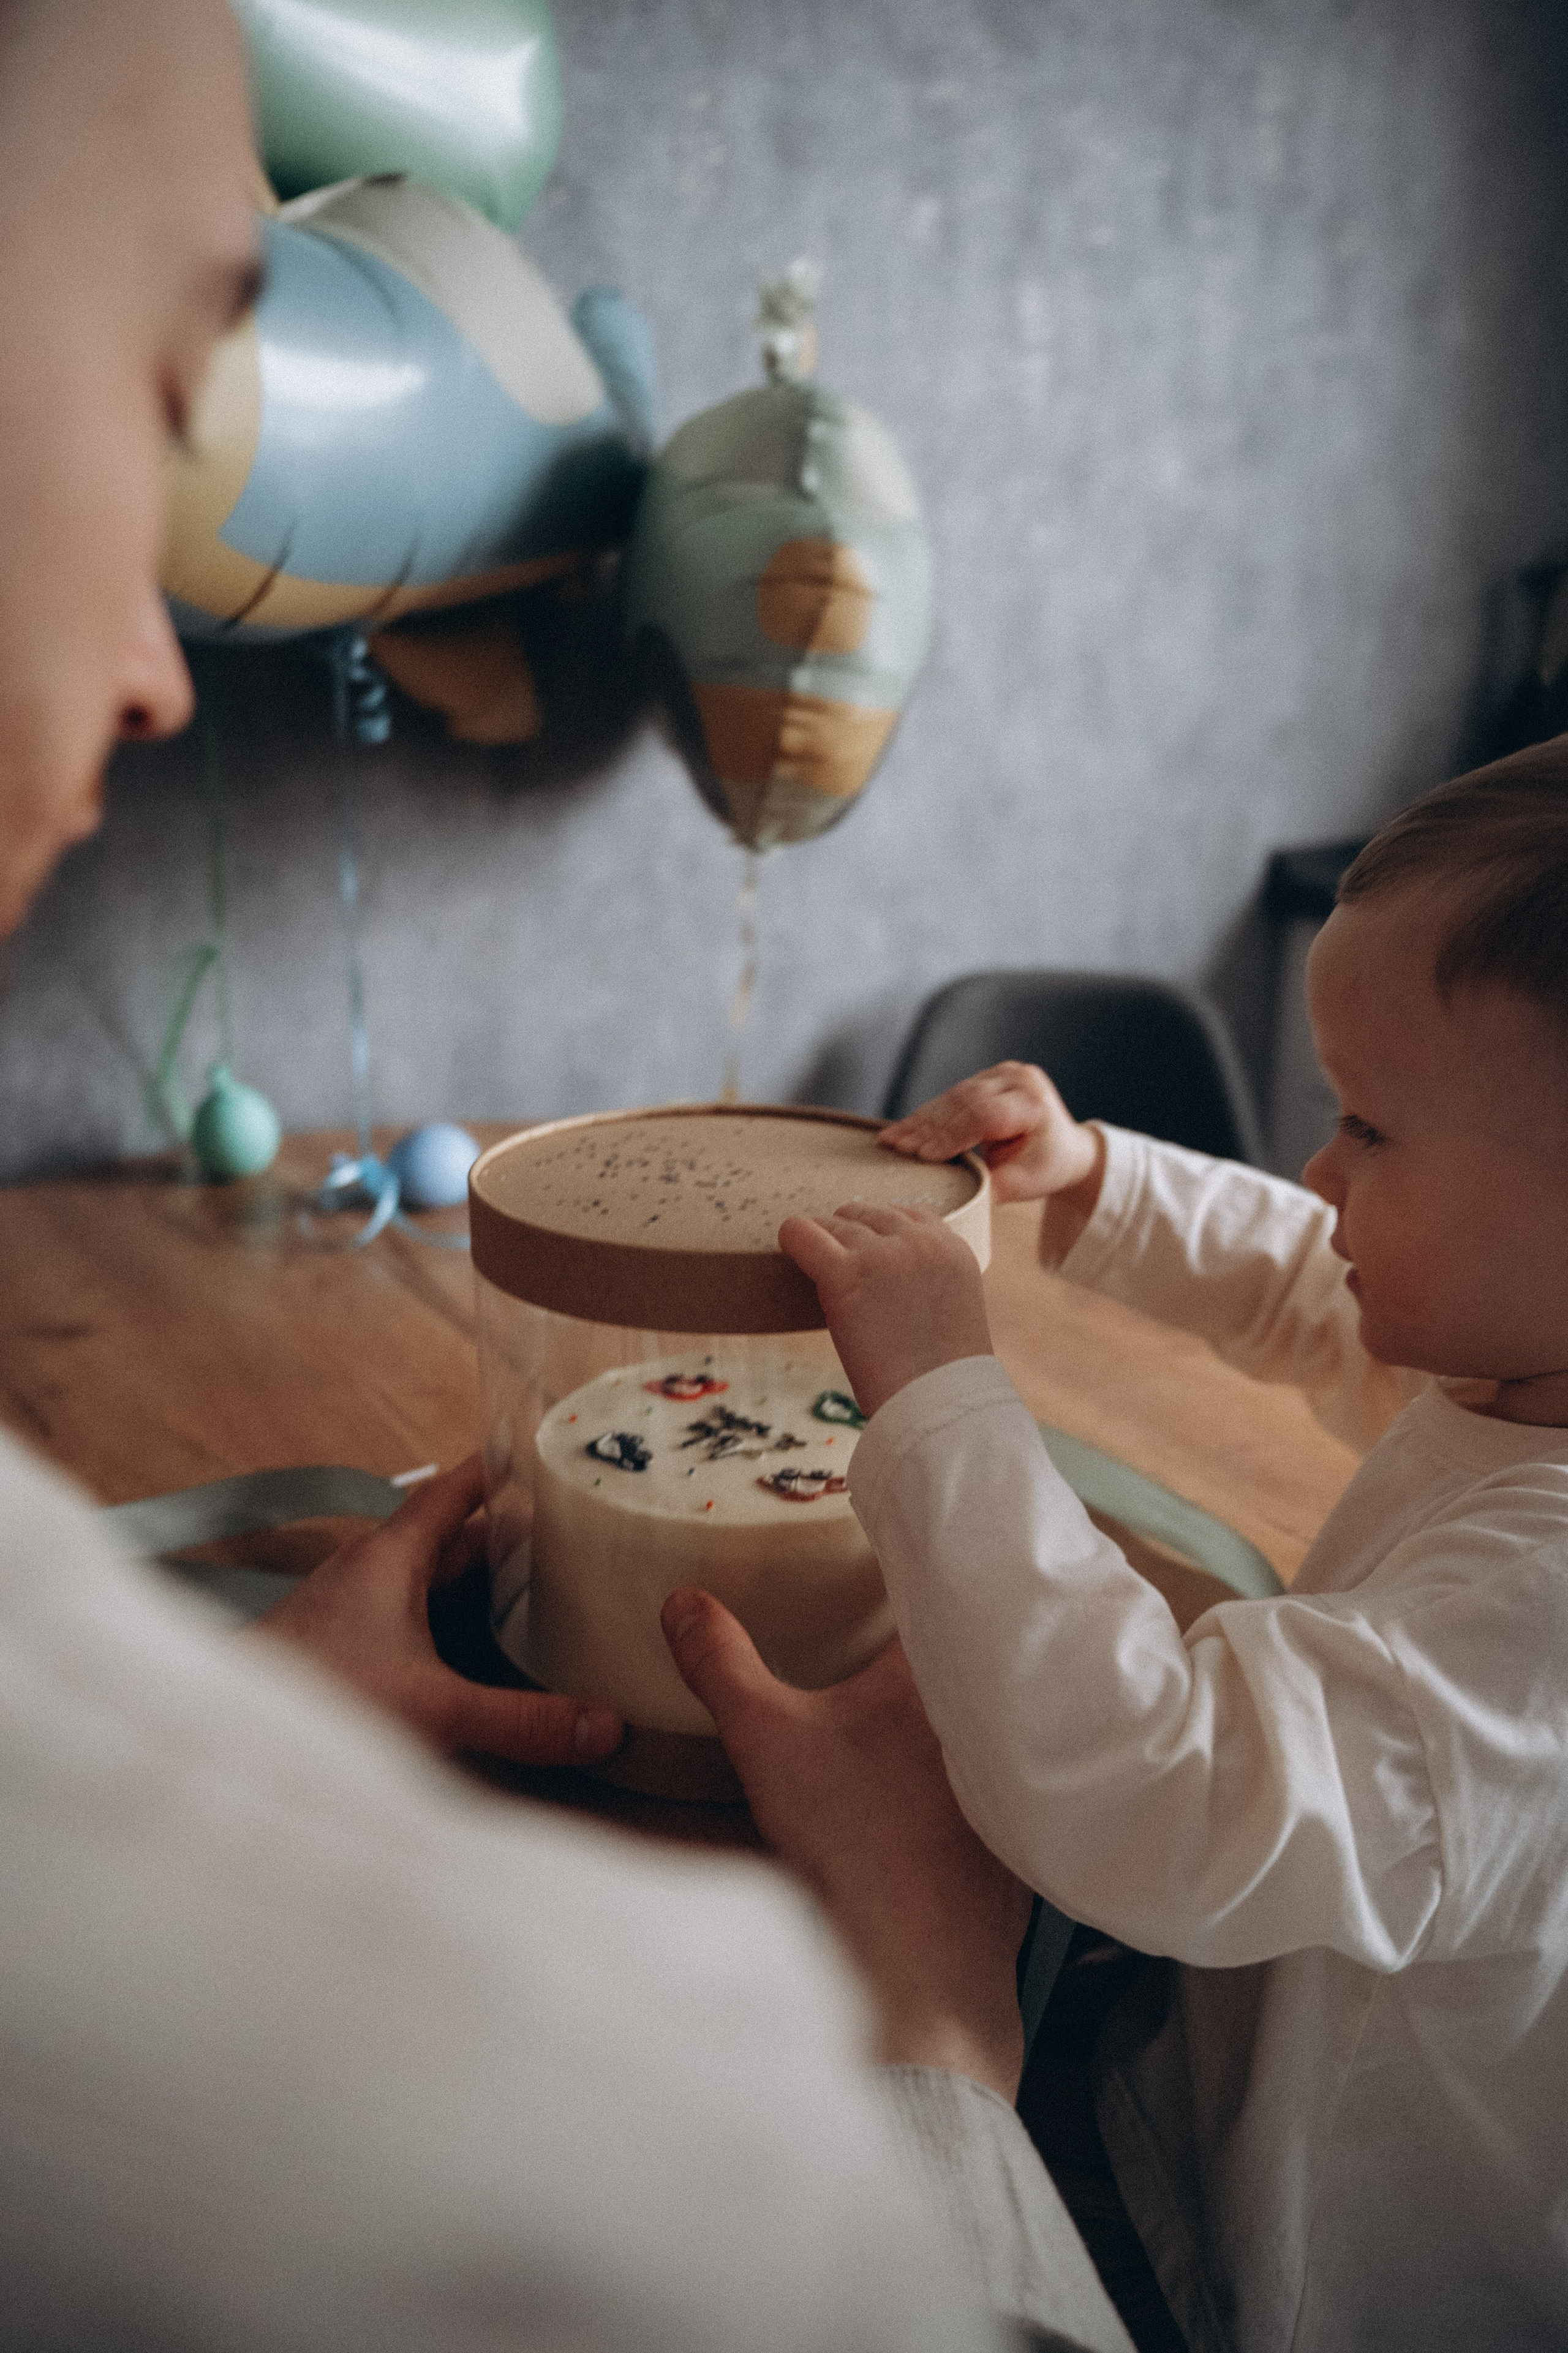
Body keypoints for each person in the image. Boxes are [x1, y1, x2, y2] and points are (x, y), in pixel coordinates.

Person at [0, 4, 1136, 2347]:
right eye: (160, 386)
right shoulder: (637, 2118)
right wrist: (939, 2031)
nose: (158, 667)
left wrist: (261, 1738)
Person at [765, 750, 1568, 2351]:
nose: (1318, 1173)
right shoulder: (1525, 1344)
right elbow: (1319, 1279)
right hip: (1226, 2056)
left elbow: (1159, 1793)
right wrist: (1100, 1185)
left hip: (1322, 2261)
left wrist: (943, 1394)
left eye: (1364, 1126)